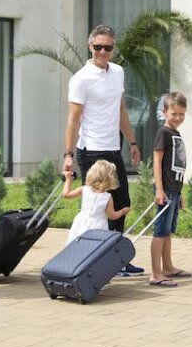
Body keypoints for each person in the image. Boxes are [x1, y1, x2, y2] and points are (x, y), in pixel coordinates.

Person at [62, 24, 144, 276]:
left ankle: (116, 259)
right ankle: (95, 260)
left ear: (113, 48)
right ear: (90, 46)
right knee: (97, 208)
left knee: (122, 202)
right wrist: (68, 155)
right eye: (98, 47)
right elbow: (73, 120)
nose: (102, 52)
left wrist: (132, 142)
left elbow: (120, 110)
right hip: (91, 152)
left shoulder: (117, 72)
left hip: (113, 148)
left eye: (107, 48)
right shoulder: (81, 79)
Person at [149, 91, 191, 288]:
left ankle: (167, 267)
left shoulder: (175, 133)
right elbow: (157, 161)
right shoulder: (163, 133)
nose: (178, 118)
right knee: (160, 232)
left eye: (181, 114)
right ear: (164, 112)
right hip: (164, 191)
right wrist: (159, 189)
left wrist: (179, 192)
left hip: (173, 190)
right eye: (174, 114)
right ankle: (155, 273)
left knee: (167, 231)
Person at [62, 160, 130, 244]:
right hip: (99, 225)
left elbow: (66, 194)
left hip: (81, 222)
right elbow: (112, 216)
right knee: (95, 246)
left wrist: (68, 179)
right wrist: (123, 211)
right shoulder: (107, 197)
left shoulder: (84, 189)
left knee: (78, 243)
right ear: (109, 179)